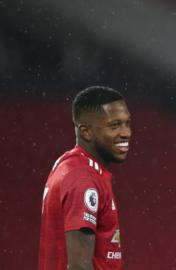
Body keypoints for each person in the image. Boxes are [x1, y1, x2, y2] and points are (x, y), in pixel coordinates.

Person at [38, 86, 131, 270]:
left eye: (127, 123)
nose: (126, 133)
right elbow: (79, 266)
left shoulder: (72, 166)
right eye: (114, 125)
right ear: (86, 131)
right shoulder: (82, 179)